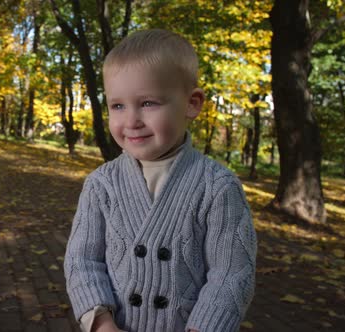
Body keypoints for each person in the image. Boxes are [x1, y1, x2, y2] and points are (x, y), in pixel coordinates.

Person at [64, 29, 257, 332]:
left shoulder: (218, 186)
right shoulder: (101, 184)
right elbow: (82, 261)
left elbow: (231, 273)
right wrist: (101, 323)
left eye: (148, 103)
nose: (131, 120)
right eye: (117, 106)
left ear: (192, 103)